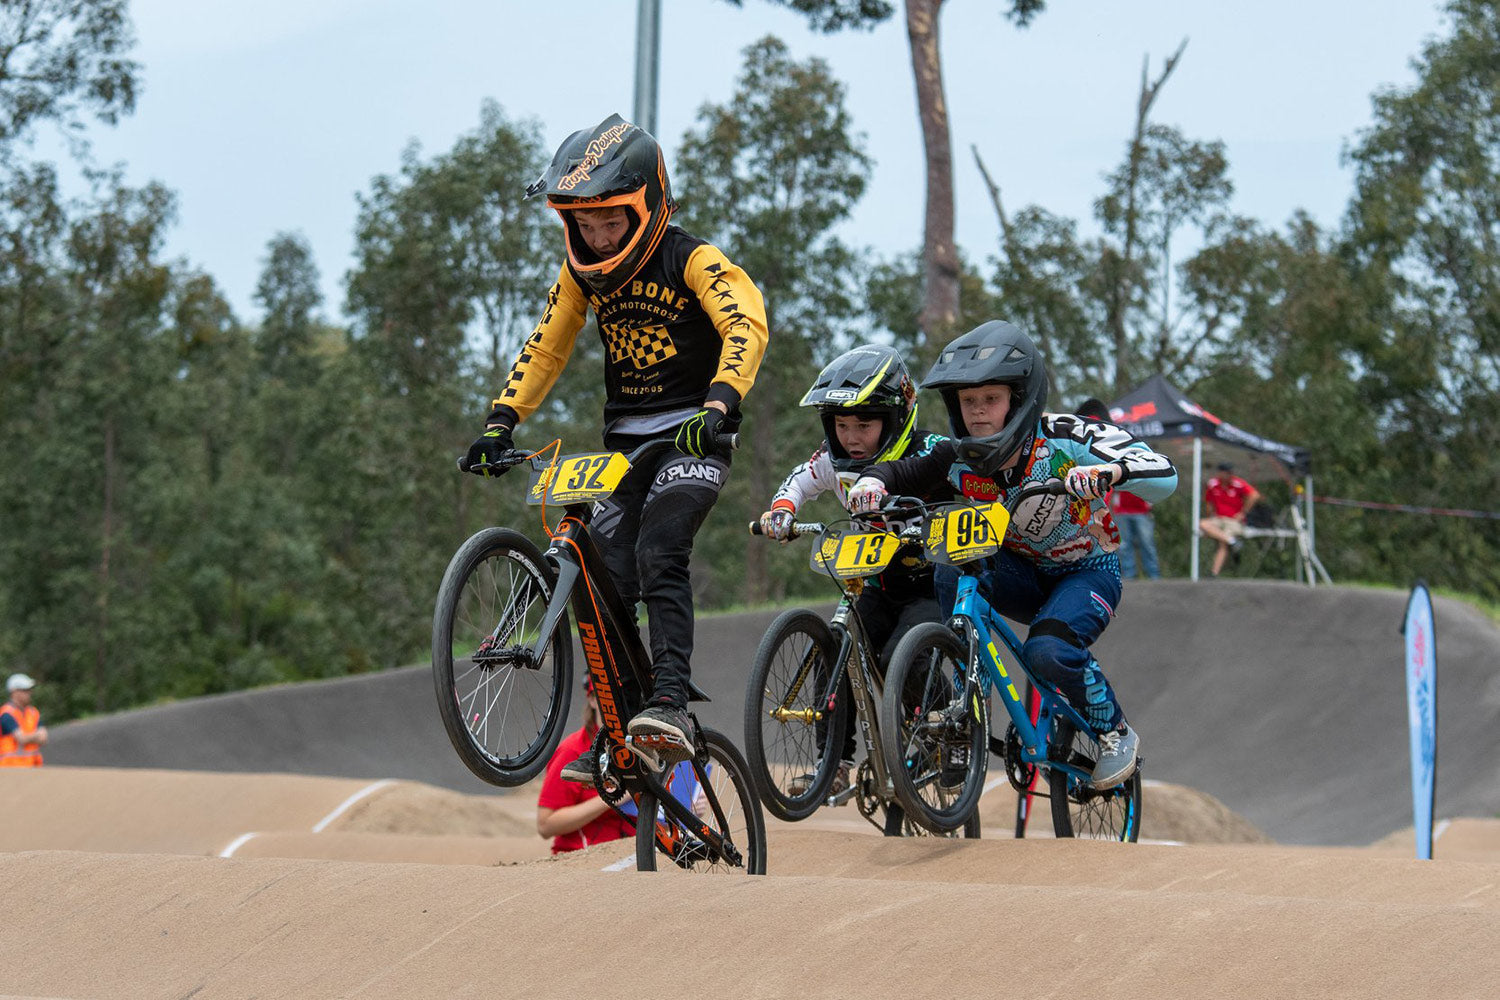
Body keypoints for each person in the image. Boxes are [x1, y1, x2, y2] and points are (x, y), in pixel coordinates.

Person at [459, 114, 768, 774]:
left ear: (647, 205)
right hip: (624, 445)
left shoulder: (693, 258)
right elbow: (545, 345)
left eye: (609, 223)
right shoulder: (581, 276)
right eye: (582, 226)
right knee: (600, 578)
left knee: (661, 549)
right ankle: (621, 719)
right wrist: (499, 421)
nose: (596, 239)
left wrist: (722, 401)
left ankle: (672, 702)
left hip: (693, 435)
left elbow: (745, 319)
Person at [846, 320, 1178, 788]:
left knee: (1048, 651)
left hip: (1087, 571)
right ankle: (963, 708)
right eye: (968, 401)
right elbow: (905, 471)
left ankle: (1115, 733)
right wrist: (872, 481)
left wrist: (1110, 472)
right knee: (949, 566)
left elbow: (1164, 473)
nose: (978, 413)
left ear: (1018, 400)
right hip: (1020, 571)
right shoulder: (957, 455)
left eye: (991, 399)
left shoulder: (1063, 435)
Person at [756, 344, 947, 795]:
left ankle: (948, 726)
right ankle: (834, 761)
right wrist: (781, 510)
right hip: (876, 583)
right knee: (835, 645)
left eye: (864, 424)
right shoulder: (833, 458)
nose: (852, 437)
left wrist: (886, 479)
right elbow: (800, 479)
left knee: (901, 651)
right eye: (842, 425)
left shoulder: (930, 448)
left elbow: (952, 461)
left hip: (932, 584)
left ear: (896, 417)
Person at [536, 677, 635, 854]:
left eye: (624, 696)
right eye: (606, 695)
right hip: (583, 859)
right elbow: (545, 825)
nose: (616, 703)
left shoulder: (638, 747)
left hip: (629, 857)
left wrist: (690, 808)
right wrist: (612, 798)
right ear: (592, 699)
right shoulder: (572, 750)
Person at [1074, 398, 1162, 581]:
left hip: (1139, 510)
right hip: (1118, 511)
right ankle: (1128, 576)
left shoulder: (1127, 456)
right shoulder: (1088, 453)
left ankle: (1153, 577)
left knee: (1146, 544)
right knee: (1124, 545)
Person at [1200, 461, 1260, 577]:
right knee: (1202, 524)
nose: (1228, 475)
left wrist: (1243, 513)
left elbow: (1255, 495)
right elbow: (1208, 502)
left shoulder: (1238, 483)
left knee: (1223, 544)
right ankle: (1233, 542)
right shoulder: (1213, 484)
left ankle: (1214, 573)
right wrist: (1210, 516)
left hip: (1233, 521)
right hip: (1218, 519)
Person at [0, 673, 46, 767]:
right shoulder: (6, 714)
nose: (29, 693)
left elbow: (43, 738)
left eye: (29, 690)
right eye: (25, 690)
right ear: (14, 692)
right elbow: (22, 739)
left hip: (33, 768)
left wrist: (27, 737)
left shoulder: (33, 713)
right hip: (10, 769)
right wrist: (36, 735)